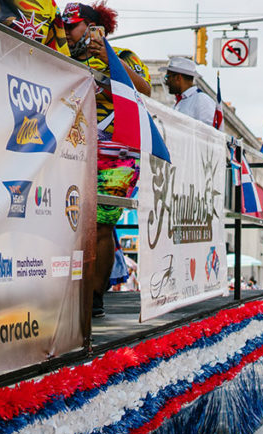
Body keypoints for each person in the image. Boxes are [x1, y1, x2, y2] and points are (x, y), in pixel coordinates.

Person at [62, 2, 150, 317]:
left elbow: (145, 91)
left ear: (92, 25)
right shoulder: (63, 56)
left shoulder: (124, 57)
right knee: (71, 224)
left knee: (101, 225)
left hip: (118, 153)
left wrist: (107, 57)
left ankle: (95, 297)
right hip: (74, 150)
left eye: (71, 25)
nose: (66, 32)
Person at [162, 57, 217, 125]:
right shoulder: (176, 105)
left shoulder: (201, 99)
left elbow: (209, 132)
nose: (166, 82)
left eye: (168, 77)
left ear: (178, 78)